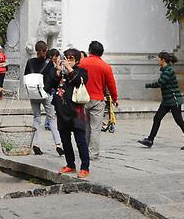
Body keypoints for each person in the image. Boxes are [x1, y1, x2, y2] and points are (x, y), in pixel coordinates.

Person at [138, 52, 184, 150]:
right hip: (167, 101)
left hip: (174, 100)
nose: (157, 60)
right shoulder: (165, 70)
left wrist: (148, 85)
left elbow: (161, 83)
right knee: (157, 118)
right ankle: (150, 140)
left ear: (163, 60)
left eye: (159, 59)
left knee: (179, 121)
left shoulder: (169, 71)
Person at [51, 49, 90, 178]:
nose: (68, 60)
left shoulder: (82, 72)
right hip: (62, 112)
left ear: (77, 60)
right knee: (65, 140)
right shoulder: (61, 73)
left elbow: (78, 81)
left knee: (80, 141)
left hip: (76, 113)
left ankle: (85, 167)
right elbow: (51, 85)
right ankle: (70, 164)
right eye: (66, 57)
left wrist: (69, 68)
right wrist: (57, 70)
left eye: (71, 58)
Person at [78, 41, 118, 160]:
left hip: (82, 99)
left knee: (84, 127)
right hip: (98, 100)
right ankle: (93, 153)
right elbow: (111, 84)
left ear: (89, 50)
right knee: (95, 128)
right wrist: (115, 98)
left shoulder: (81, 63)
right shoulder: (105, 66)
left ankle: (83, 151)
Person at [24, 41, 60, 155]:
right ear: (46, 50)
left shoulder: (30, 62)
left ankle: (36, 144)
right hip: (46, 93)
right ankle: (58, 144)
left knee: (36, 118)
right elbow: (53, 80)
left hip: (33, 94)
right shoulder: (49, 63)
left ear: (35, 50)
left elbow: (26, 77)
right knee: (52, 118)